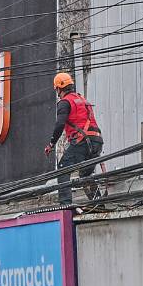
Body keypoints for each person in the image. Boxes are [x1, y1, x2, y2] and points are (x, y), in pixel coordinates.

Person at [45, 73, 104, 208]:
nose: (57, 94)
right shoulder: (82, 99)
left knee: (62, 168)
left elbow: (59, 125)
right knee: (86, 174)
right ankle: (98, 204)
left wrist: (51, 144)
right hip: (96, 141)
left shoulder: (65, 102)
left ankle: (65, 204)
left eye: (57, 90)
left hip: (82, 141)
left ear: (60, 88)